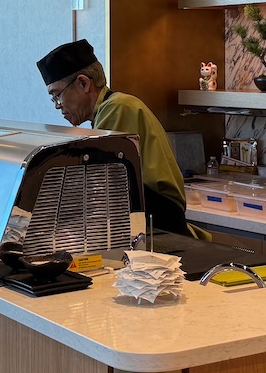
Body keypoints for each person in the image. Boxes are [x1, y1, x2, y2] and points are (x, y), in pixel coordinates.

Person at [37, 39, 194, 236]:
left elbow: (100, 185)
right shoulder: (106, 112)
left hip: (161, 223)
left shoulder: (118, 108)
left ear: (83, 83)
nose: (57, 105)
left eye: (57, 95)